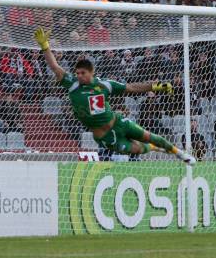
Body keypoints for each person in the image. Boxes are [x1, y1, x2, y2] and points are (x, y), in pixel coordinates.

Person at [34, 27, 194, 163]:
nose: (79, 76)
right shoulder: (73, 84)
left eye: (82, 73)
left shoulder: (105, 85)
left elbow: (131, 87)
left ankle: (180, 154)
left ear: (91, 72)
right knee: (138, 149)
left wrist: (156, 86)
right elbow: (55, 67)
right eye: (77, 73)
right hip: (105, 137)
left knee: (151, 136)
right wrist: (45, 46)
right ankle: (153, 148)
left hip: (118, 122)